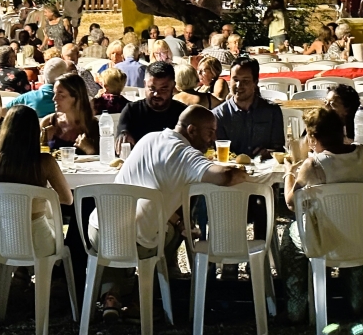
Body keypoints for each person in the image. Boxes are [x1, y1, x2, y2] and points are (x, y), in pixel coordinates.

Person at [89, 105, 246, 319]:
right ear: (191, 130)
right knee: (171, 232)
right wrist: (246, 174)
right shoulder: (185, 154)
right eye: (210, 131)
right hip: (137, 243)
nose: (213, 138)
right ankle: (141, 297)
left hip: (97, 230)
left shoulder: (149, 138)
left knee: (122, 228)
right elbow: (226, 175)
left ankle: (111, 295)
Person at [281, 106, 363, 322]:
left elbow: (291, 203)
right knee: (351, 236)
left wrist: (289, 172)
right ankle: (357, 304)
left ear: (312, 137)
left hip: (329, 243)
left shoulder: (314, 164)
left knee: (290, 236)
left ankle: (295, 308)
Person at [0, 104, 73, 257]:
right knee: (49, 219)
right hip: (37, 240)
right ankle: (45, 276)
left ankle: (20, 273)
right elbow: (67, 199)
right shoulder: (44, 162)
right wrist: (41, 197)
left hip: (2, 238)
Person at [212, 58, 285, 159]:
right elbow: (216, 152)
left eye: (245, 81)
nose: (239, 85)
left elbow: (279, 149)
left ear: (255, 82)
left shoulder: (272, 111)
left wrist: (269, 153)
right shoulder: (218, 115)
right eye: (235, 80)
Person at [117, 60, 187, 153]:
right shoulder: (132, 111)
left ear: (173, 86)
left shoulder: (183, 113)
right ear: (145, 84)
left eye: (163, 89)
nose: (157, 94)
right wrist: (123, 135)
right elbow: (122, 133)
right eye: (152, 88)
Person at [40, 72, 99, 154]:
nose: (54, 99)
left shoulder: (93, 126)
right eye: (54, 94)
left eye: (61, 95)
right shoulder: (49, 122)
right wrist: (43, 141)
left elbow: (106, 159)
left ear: (76, 98)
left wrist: (90, 150)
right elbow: (34, 157)